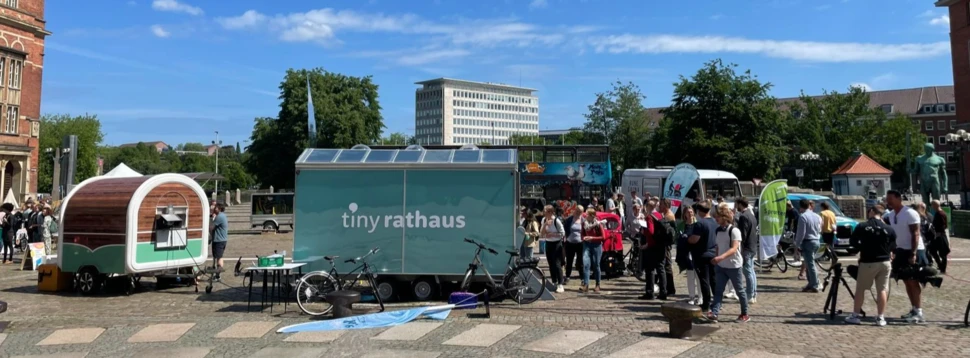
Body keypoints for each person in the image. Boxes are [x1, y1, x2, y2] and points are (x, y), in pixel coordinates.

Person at [845, 205, 894, 327]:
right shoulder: (889, 228)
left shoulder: (862, 226)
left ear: (872, 212)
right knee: (882, 289)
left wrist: (863, 248)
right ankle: (880, 317)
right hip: (885, 262)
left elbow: (853, 242)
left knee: (861, 289)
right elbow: (893, 245)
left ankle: (856, 315)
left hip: (868, 261)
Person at [886, 190, 927, 323]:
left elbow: (915, 233)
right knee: (905, 280)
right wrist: (893, 250)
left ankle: (919, 311)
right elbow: (893, 235)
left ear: (899, 198)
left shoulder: (910, 213)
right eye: (888, 199)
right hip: (900, 250)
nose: (889, 201)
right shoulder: (891, 215)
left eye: (891, 199)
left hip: (913, 250)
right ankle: (914, 308)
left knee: (913, 280)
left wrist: (913, 253)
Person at [708, 203, 750, 323]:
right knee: (718, 290)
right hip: (721, 266)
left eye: (718, 216)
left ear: (724, 217)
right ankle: (714, 312)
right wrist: (717, 258)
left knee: (739, 290)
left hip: (734, 266)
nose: (716, 219)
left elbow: (734, 248)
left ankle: (744, 313)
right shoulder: (717, 231)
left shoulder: (734, 230)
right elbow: (718, 246)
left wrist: (720, 257)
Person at [688, 201, 719, 314]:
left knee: (704, 281)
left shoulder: (700, 224)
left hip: (702, 255)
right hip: (713, 254)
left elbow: (695, 239)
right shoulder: (715, 222)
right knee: (713, 280)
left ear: (699, 211)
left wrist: (687, 238)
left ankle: (706, 304)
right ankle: (717, 302)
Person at [639, 199, 667, 299]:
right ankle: (663, 292)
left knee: (650, 269)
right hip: (661, 245)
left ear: (648, 207)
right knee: (661, 269)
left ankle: (649, 292)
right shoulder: (660, 215)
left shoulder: (650, 217)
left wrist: (643, 231)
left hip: (652, 246)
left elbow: (650, 232)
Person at [794, 199, 822, 293]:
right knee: (810, 263)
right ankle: (811, 283)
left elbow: (801, 233)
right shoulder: (817, 216)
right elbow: (819, 228)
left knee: (810, 264)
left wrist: (797, 244)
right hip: (816, 240)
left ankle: (815, 284)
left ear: (801, 207)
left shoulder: (803, 217)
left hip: (808, 241)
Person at [735, 198, 758, 304]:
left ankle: (750, 294)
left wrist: (740, 247)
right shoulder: (751, 214)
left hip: (747, 248)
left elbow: (742, 235)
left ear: (740, 204)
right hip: (752, 246)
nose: (736, 206)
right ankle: (753, 293)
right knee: (751, 271)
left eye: (736, 204)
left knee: (748, 271)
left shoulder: (744, 216)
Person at [540, 205, 566, 293]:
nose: (544, 212)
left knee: (557, 263)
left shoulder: (556, 221)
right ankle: (554, 281)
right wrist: (545, 225)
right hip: (548, 243)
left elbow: (562, 233)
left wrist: (553, 234)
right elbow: (542, 234)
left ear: (550, 212)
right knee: (551, 263)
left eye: (545, 211)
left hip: (557, 244)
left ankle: (560, 284)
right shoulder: (544, 220)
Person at [676, 206, 699, 305]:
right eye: (688, 212)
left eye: (691, 212)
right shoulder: (682, 225)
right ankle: (691, 296)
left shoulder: (698, 224)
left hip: (697, 253)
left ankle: (700, 296)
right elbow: (677, 238)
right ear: (684, 214)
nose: (690, 214)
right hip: (686, 253)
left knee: (698, 277)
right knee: (690, 276)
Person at [580, 208, 606, 293]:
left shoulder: (598, 224)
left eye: (587, 214)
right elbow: (582, 234)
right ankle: (586, 284)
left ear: (591, 216)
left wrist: (592, 238)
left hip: (596, 245)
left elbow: (603, 237)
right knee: (586, 264)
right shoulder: (584, 223)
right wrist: (584, 238)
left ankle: (598, 284)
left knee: (596, 264)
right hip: (586, 244)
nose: (585, 215)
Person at [657, 198, 677, 296]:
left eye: (660, 205)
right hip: (665, 244)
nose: (659, 206)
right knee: (666, 265)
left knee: (667, 266)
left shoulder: (668, 216)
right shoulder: (666, 214)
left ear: (665, 205)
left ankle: (670, 288)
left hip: (666, 245)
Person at [562, 206, 585, 285]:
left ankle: (582, 278)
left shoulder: (583, 220)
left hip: (580, 243)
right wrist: (566, 238)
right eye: (577, 211)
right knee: (569, 261)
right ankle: (567, 277)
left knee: (580, 261)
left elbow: (586, 230)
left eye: (580, 211)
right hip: (570, 242)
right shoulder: (569, 220)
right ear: (575, 210)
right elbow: (564, 229)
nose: (579, 213)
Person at [929, 200, 950, 273]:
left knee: (942, 253)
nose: (931, 207)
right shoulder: (939, 213)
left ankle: (942, 268)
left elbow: (943, 225)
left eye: (932, 205)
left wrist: (937, 232)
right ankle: (940, 266)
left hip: (940, 235)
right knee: (933, 250)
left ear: (935, 205)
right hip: (938, 235)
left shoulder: (940, 214)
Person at [211, 202, 229, 280]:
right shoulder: (222, 216)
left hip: (219, 240)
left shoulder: (220, 216)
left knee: (219, 257)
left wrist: (212, 219)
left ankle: (218, 275)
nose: (215, 209)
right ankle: (217, 274)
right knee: (218, 257)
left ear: (220, 209)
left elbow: (211, 227)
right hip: (220, 240)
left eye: (216, 208)